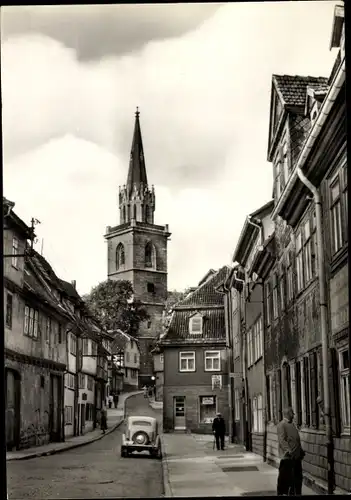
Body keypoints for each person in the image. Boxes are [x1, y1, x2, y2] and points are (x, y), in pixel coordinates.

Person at [277, 407, 305, 496]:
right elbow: (282, 440)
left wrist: (300, 450)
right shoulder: (282, 425)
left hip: (296, 457)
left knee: (297, 479)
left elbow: (295, 440)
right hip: (288, 458)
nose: (293, 415)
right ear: (288, 414)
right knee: (286, 481)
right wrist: (289, 451)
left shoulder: (292, 425)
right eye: (292, 413)